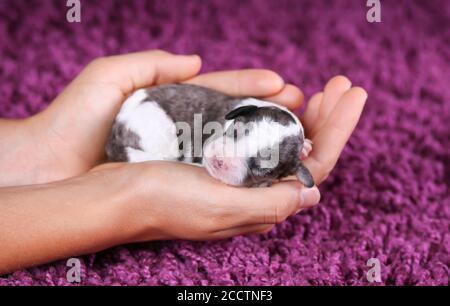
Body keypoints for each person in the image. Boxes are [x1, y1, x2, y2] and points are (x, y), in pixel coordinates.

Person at [0, 50, 367, 274]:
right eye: (231, 138)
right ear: (237, 118)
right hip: (145, 125)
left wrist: (41, 149)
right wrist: (125, 200)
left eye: (256, 165)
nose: (222, 158)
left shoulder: (259, 122)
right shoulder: (236, 113)